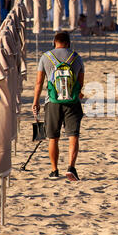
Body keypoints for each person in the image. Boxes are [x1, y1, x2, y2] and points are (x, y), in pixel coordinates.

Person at [32, 32, 85, 181]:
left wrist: (36, 101)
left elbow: (39, 83)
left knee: (53, 137)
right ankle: (71, 167)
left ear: (54, 42)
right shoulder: (76, 57)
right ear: (68, 43)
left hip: (52, 102)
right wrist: (78, 93)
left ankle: (54, 170)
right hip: (72, 102)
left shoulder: (45, 57)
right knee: (73, 135)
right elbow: (80, 83)